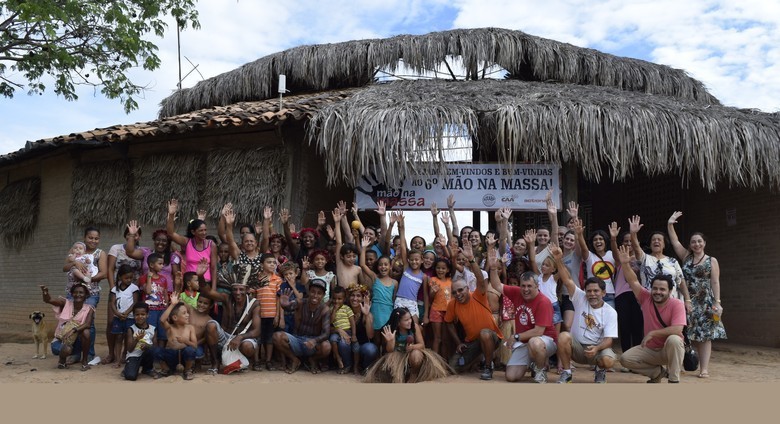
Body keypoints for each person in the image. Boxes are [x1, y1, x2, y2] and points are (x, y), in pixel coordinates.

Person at [668, 211, 726, 378]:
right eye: (693, 242)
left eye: (699, 241)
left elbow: (715, 282)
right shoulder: (686, 256)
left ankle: (704, 369)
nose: (696, 244)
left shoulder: (711, 260)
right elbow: (674, 241)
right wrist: (670, 224)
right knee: (683, 333)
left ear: (704, 243)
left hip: (705, 302)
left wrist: (718, 302)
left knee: (704, 336)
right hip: (684, 300)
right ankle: (677, 365)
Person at [616, 245, 686, 383]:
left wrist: (653, 333)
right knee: (625, 359)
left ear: (670, 291)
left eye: (662, 289)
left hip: (670, 350)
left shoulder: (677, 303)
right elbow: (633, 281)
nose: (657, 292)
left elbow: (678, 329)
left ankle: (673, 379)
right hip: (650, 350)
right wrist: (625, 264)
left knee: (674, 339)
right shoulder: (646, 297)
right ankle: (657, 373)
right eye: (655, 288)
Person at [488, 248, 558, 383]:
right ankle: (532, 362)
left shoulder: (544, 302)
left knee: (535, 342)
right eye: (523, 286)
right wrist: (492, 268)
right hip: (524, 342)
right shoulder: (517, 292)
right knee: (511, 377)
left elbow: (538, 331)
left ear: (537, 286)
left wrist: (515, 336)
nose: (525, 289)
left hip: (545, 341)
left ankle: (540, 369)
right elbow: (497, 285)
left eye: (529, 286)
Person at [550, 243, 618, 383]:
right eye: (589, 291)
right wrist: (558, 260)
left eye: (596, 291)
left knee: (608, 360)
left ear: (604, 293)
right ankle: (567, 372)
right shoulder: (580, 298)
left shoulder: (610, 312)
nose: (592, 294)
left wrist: (597, 348)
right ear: (585, 291)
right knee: (563, 336)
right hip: (578, 348)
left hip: (597, 350)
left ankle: (600, 371)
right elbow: (567, 280)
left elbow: (609, 340)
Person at [445, 241, 502, 380]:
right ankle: (479, 358)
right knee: (453, 367)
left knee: (484, 334)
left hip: (492, 337)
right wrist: (458, 342)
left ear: (467, 289)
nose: (458, 294)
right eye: (454, 292)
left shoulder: (477, 296)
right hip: (472, 342)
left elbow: (481, 280)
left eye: (460, 290)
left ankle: (488, 367)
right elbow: (448, 323)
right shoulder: (452, 304)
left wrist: (471, 259)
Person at [200, 264, 261, 375]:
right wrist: (200, 276)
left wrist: (240, 337)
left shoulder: (254, 304)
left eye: (241, 289)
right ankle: (215, 363)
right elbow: (207, 292)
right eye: (235, 289)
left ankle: (239, 361)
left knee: (248, 347)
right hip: (226, 336)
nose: (238, 293)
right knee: (211, 325)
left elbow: (257, 331)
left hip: (243, 339)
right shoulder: (227, 298)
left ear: (247, 289)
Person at [363, 307, 452, 383]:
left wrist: (412, 347)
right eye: (406, 320)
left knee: (416, 355)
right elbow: (389, 350)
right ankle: (400, 376)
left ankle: (414, 374)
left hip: (411, 354)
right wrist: (390, 340)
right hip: (397, 355)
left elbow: (422, 345)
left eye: (410, 318)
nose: (409, 321)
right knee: (392, 362)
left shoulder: (415, 327)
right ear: (398, 323)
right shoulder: (391, 331)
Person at [62, 226, 106, 361]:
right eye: (90, 237)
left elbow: (103, 273)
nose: (93, 240)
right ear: (84, 238)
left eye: (96, 238)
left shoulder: (100, 253)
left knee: (88, 322)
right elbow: (65, 268)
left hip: (91, 292)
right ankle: (75, 353)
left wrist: (87, 278)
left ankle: (89, 353)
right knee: (73, 321)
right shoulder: (76, 249)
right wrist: (75, 262)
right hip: (73, 293)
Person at [273, 278, 332, 374]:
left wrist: (314, 340)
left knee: (326, 346)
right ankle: (295, 360)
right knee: (277, 336)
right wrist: (284, 304)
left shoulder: (325, 309)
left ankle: (312, 359)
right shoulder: (301, 302)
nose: (315, 295)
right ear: (308, 292)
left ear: (323, 295)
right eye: (313, 292)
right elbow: (289, 306)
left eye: (319, 293)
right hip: (297, 339)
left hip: (312, 343)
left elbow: (326, 333)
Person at [41, 283, 95, 371]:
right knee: (66, 349)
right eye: (75, 292)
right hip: (61, 341)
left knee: (86, 332)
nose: (78, 295)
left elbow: (87, 324)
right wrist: (45, 293)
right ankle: (62, 361)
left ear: (86, 295)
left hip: (77, 341)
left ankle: (84, 362)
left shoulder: (89, 308)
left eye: (81, 293)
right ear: (72, 294)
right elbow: (49, 300)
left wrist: (73, 330)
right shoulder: (65, 303)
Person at [167, 198, 218, 288]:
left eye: (205, 230)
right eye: (201, 230)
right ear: (193, 232)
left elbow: (213, 268)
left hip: (205, 284)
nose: (204, 233)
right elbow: (171, 233)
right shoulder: (187, 242)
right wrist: (171, 215)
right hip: (189, 285)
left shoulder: (211, 244)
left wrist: (213, 289)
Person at [155, 296, 197, 380]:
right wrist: (172, 304)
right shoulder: (170, 328)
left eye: (187, 312)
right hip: (171, 356)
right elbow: (162, 320)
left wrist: (185, 341)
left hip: (184, 358)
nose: (187, 315)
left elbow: (195, 346)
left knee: (190, 350)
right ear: (175, 318)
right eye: (184, 313)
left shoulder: (190, 328)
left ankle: (187, 370)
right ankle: (166, 370)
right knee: (157, 351)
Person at [108, 264, 141, 367]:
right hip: (118, 318)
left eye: (131, 277)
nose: (129, 280)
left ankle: (125, 354)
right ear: (120, 277)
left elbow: (135, 302)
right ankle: (117, 360)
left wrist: (126, 313)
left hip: (130, 317)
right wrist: (117, 313)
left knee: (128, 337)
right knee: (118, 337)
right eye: (126, 278)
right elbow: (112, 303)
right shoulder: (114, 289)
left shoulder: (134, 288)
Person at [137, 253, 169, 348]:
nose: (162, 266)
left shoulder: (163, 279)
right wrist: (149, 277)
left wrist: (166, 309)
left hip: (162, 309)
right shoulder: (143, 278)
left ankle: (161, 355)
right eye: (160, 264)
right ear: (151, 265)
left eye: (162, 264)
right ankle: (152, 354)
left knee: (162, 334)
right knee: (151, 332)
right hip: (150, 310)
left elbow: (165, 294)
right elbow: (148, 291)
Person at [345, 283, 378, 375]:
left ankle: (364, 367)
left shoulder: (367, 314)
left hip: (362, 347)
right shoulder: (345, 310)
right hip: (348, 345)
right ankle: (347, 365)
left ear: (363, 298)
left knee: (371, 349)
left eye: (358, 296)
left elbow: (370, 335)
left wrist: (366, 315)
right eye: (353, 295)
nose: (355, 299)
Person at [122, 302, 158, 381]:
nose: (140, 317)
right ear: (134, 316)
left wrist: (147, 346)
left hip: (146, 356)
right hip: (134, 356)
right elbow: (129, 349)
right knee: (130, 376)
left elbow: (155, 348)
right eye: (137, 315)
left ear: (147, 315)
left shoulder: (153, 329)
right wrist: (137, 339)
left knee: (151, 350)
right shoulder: (131, 329)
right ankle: (128, 368)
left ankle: (147, 369)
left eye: (143, 314)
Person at [329, 286, 355, 374]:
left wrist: (354, 335)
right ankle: (338, 358)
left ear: (344, 299)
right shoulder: (331, 309)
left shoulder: (347, 308)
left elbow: (352, 323)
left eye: (339, 299)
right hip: (336, 332)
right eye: (335, 299)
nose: (337, 301)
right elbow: (331, 321)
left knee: (344, 344)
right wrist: (334, 310)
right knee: (332, 339)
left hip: (347, 331)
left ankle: (347, 365)